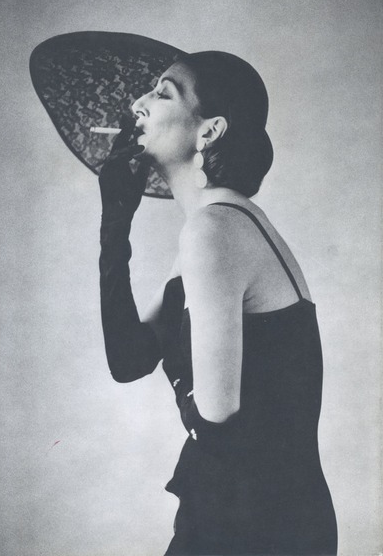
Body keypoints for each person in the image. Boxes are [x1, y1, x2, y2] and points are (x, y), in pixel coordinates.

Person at [98, 51, 338, 556]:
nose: (138, 103)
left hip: (261, 526)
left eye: (162, 93)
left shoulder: (216, 230)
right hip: (252, 511)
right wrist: (115, 224)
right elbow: (128, 359)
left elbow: (216, 415)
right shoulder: (218, 225)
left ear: (209, 131)